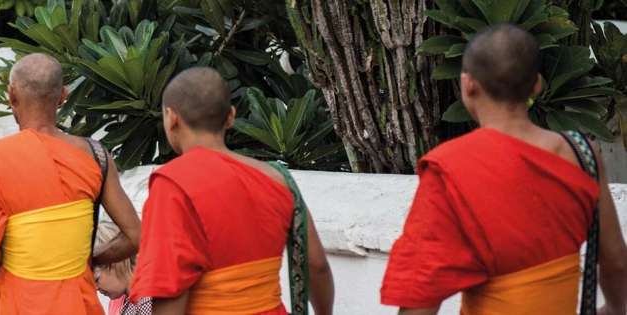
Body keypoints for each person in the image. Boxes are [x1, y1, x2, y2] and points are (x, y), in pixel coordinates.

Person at [381, 25, 627, 314]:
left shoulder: (450, 166)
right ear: (536, 85)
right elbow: (616, 261)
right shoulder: (582, 154)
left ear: (468, 84)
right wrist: (614, 308)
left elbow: (420, 299)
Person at [128, 68, 334, 315]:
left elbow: (169, 290)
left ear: (172, 118)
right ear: (231, 117)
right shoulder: (278, 179)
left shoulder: (174, 183)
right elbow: (316, 265)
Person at [0, 53, 142, 315]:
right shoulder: (95, 155)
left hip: (17, 302)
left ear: (11, 95)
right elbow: (135, 235)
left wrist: (2, 283)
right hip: (78, 303)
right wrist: (86, 259)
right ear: (63, 96)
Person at [92, 222, 149, 315]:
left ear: (115, 262)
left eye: (97, 279)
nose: (96, 288)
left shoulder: (146, 302)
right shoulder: (132, 302)